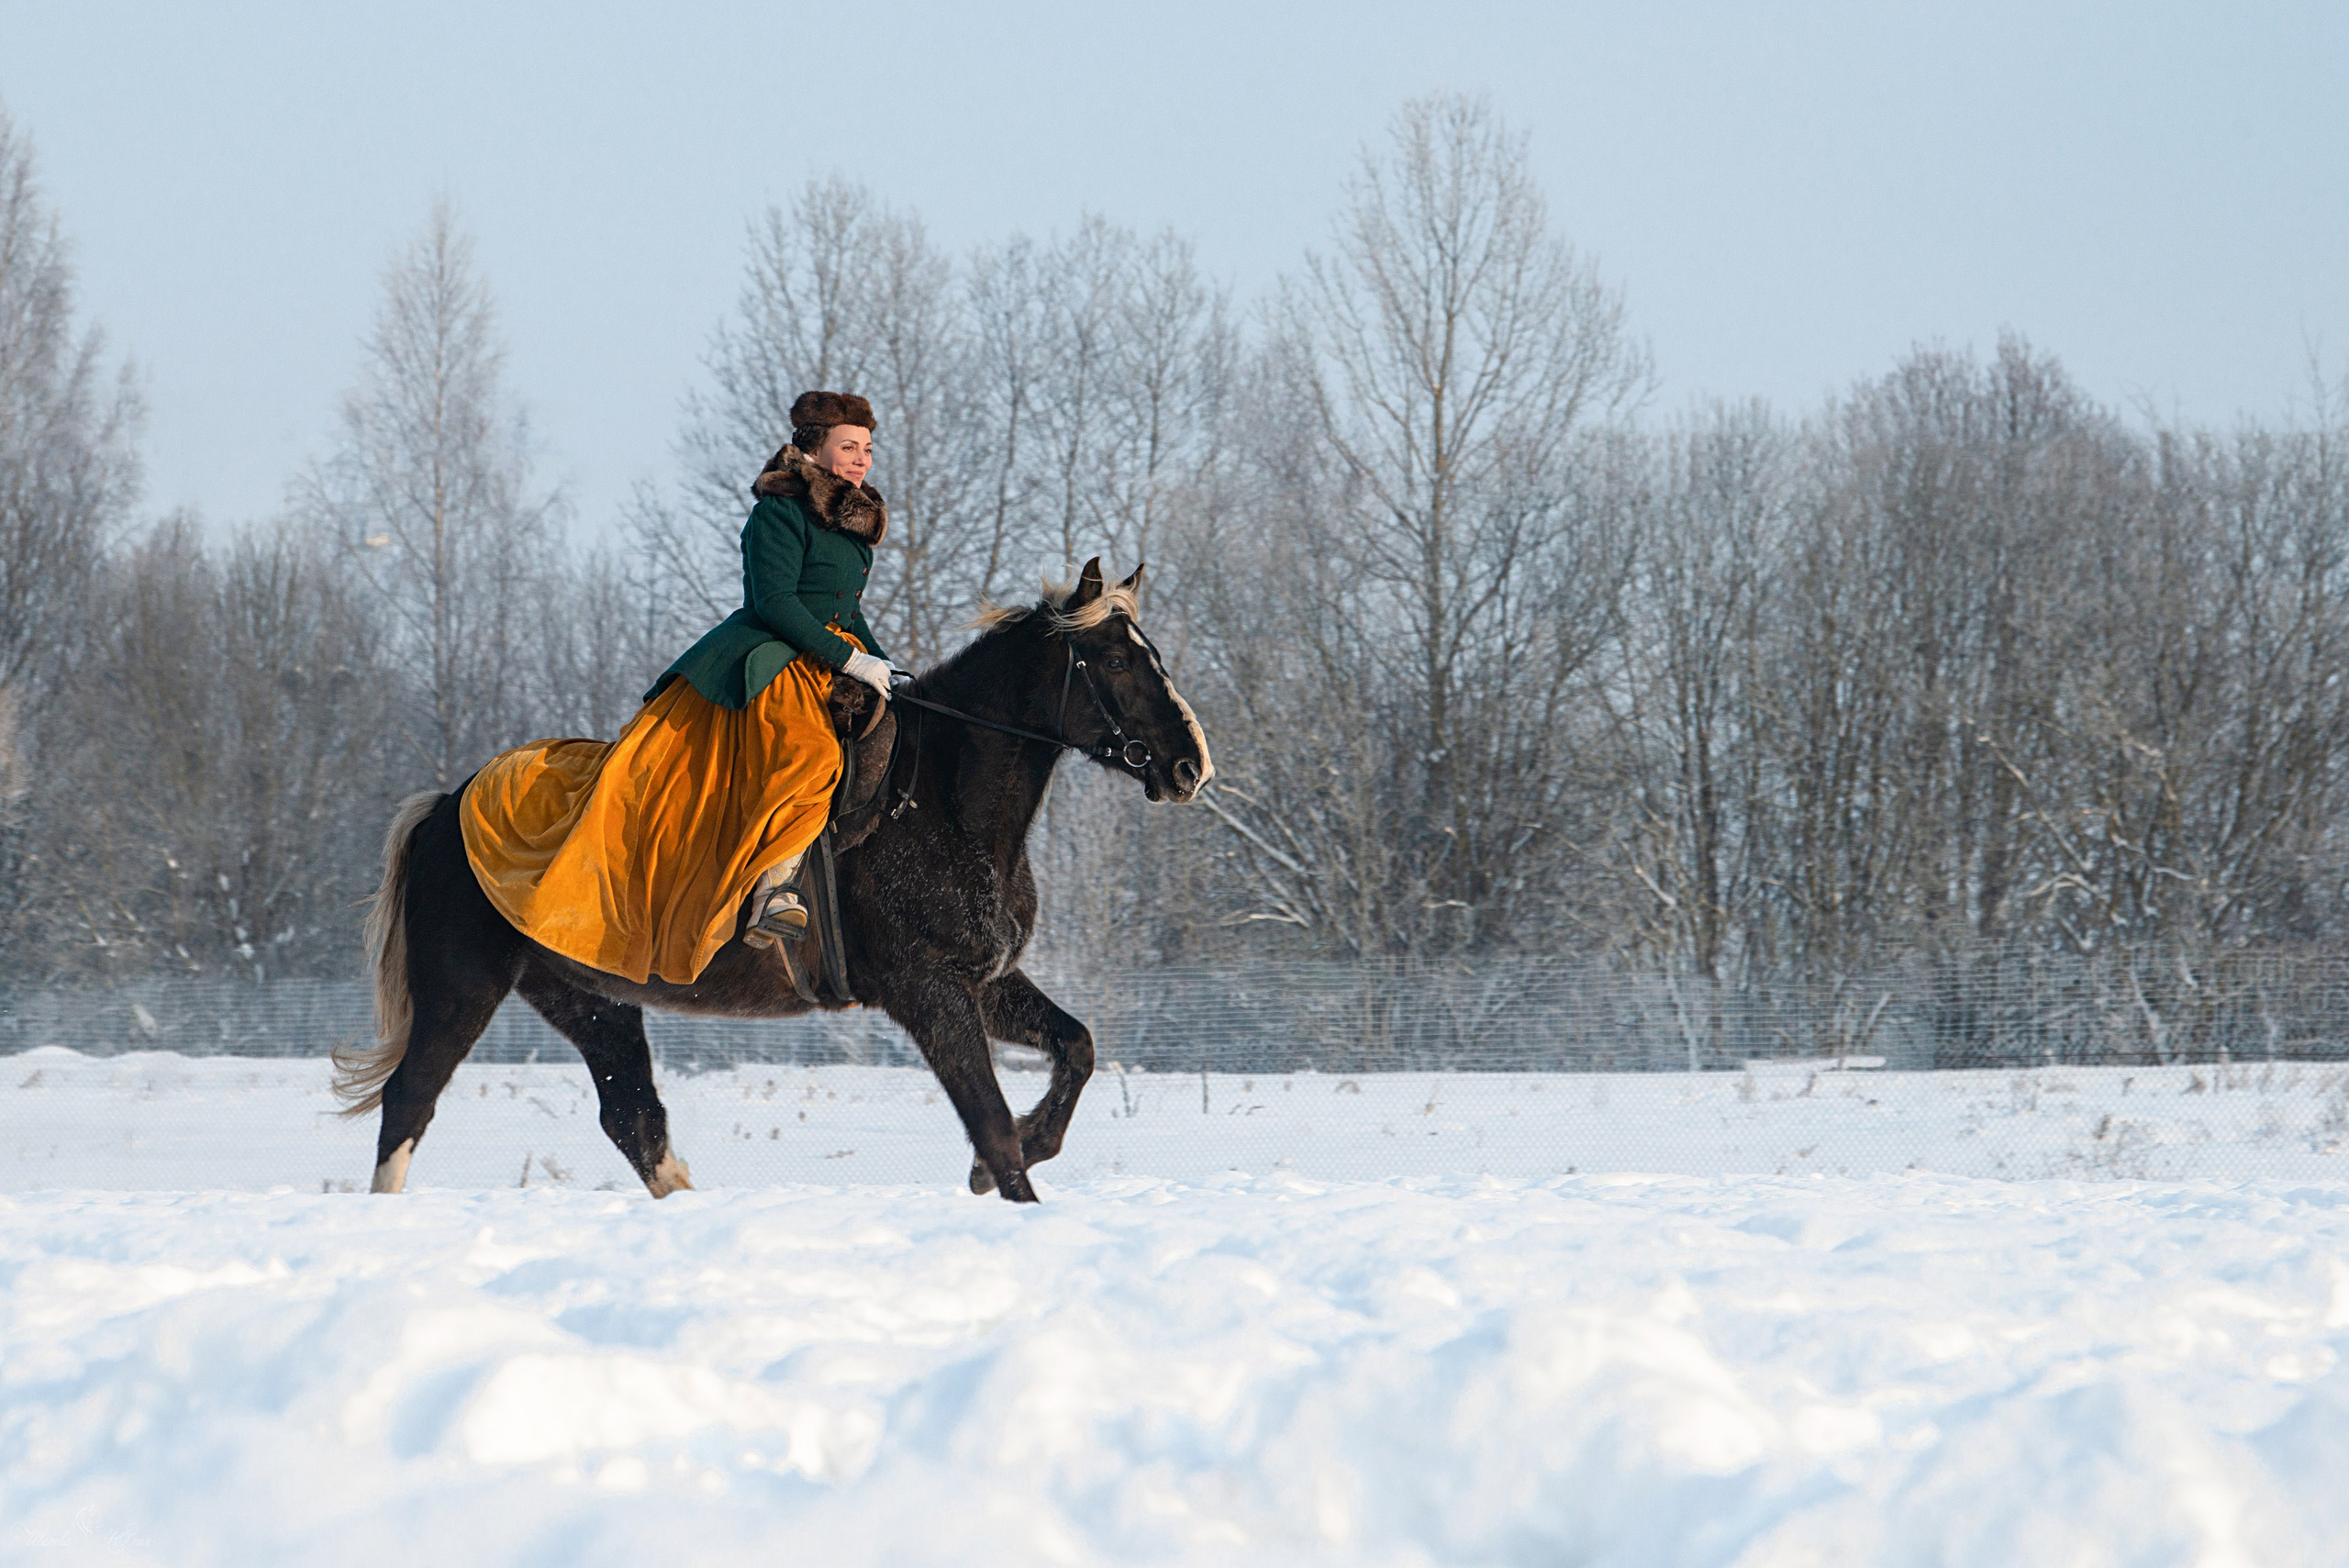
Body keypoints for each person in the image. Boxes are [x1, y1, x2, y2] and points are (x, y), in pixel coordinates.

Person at [454, 390, 898, 984]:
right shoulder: (780, 512)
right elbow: (774, 602)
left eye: (867, 449)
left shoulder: (851, 526)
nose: (861, 459)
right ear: (814, 448)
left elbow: (847, 612)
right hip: (773, 658)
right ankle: (774, 885)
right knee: (809, 753)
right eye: (849, 447)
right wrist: (848, 656)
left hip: (830, 662)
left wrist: (880, 661)